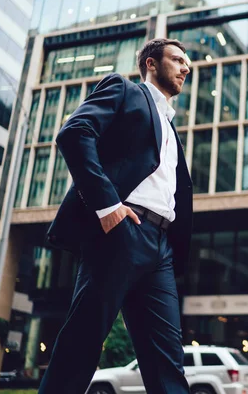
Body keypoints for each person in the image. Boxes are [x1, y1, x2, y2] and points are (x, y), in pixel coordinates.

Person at [40, 38, 193, 394]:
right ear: (151, 64)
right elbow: (75, 133)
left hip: (160, 247)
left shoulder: (170, 128)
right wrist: (108, 207)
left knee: (168, 361)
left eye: (187, 63)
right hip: (121, 231)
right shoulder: (124, 90)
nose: (186, 68)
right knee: (83, 343)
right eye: (177, 60)